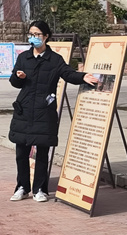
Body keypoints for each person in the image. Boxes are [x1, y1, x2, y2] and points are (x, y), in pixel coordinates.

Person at [9, 21, 98, 202]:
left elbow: (68, 74)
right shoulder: (24, 57)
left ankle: (40, 189)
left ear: (46, 36)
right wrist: (19, 77)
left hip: (44, 111)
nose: (33, 38)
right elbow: (14, 82)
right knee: (21, 153)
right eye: (31, 34)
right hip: (24, 111)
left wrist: (83, 77)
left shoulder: (55, 59)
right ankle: (22, 187)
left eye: (37, 34)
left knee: (43, 152)